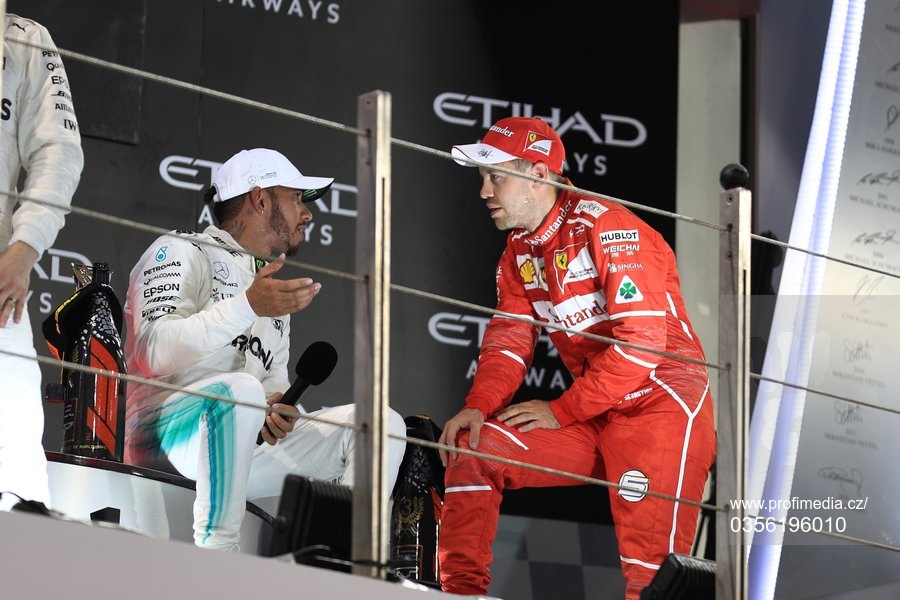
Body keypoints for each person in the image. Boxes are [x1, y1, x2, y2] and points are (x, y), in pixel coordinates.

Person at [437, 117, 716, 599]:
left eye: (495, 177)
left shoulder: (609, 226)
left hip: (660, 406)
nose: (484, 191)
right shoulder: (518, 250)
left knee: (648, 580)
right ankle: (460, 594)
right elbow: (510, 339)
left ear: (538, 174)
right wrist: (478, 406)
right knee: (474, 449)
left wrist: (561, 409)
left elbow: (643, 343)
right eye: (482, 178)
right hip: (595, 411)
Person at [123, 147, 407, 551]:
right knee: (241, 391)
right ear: (259, 199)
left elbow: (272, 386)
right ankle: (218, 557)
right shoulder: (182, 250)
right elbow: (151, 351)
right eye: (297, 198)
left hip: (241, 445)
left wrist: (280, 409)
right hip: (164, 437)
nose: (308, 214)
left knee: (379, 425)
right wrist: (247, 307)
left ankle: (343, 562)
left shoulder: (269, 293)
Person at [0, 14, 84, 512]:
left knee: (17, 470)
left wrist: (23, 248)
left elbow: (59, 152)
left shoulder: (21, 38)